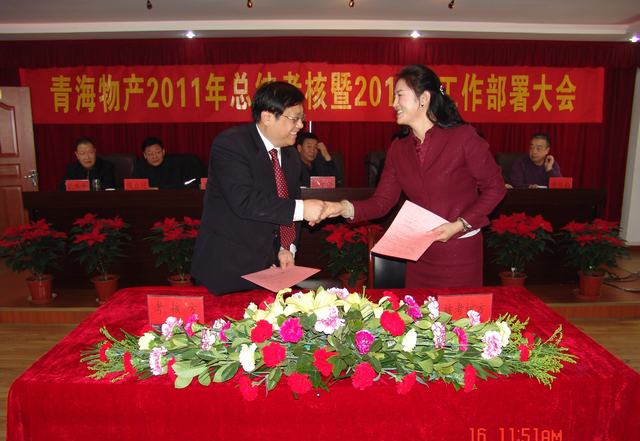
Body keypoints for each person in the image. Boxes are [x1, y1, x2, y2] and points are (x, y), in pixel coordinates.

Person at [321, 64, 506, 288]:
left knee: (459, 311)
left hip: (459, 251)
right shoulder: (398, 149)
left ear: (424, 98)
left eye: (399, 95)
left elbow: (495, 188)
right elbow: (382, 202)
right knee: (419, 309)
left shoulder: (463, 137)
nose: (393, 104)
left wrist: (460, 224)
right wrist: (342, 208)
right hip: (419, 252)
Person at [191, 81, 325, 295]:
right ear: (267, 117)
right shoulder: (231, 145)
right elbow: (245, 201)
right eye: (295, 118)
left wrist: (286, 247)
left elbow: (288, 200)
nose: (301, 125)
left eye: (302, 118)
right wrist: (302, 209)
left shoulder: (291, 155)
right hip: (226, 268)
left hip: (269, 270)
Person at [132, 137, 200, 189]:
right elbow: (133, 187)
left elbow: (181, 185)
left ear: (163, 152)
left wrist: (159, 189)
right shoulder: (140, 167)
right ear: (145, 155)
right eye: (150, 154)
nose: (154, 157)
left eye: (158, 152)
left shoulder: (174, 164)